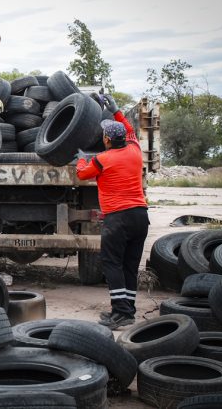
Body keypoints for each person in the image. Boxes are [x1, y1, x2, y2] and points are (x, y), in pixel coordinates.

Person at [75, 94, 149, 330]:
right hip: (140, 216)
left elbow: (82, 174)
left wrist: (79, 159)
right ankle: (128, 311)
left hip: (118, 218)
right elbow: (130, 130)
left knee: (111, 264)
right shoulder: (135, 150)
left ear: (106, 139)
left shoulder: (102, 159)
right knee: (129, 266)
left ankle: (121, 313)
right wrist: (117, 111)